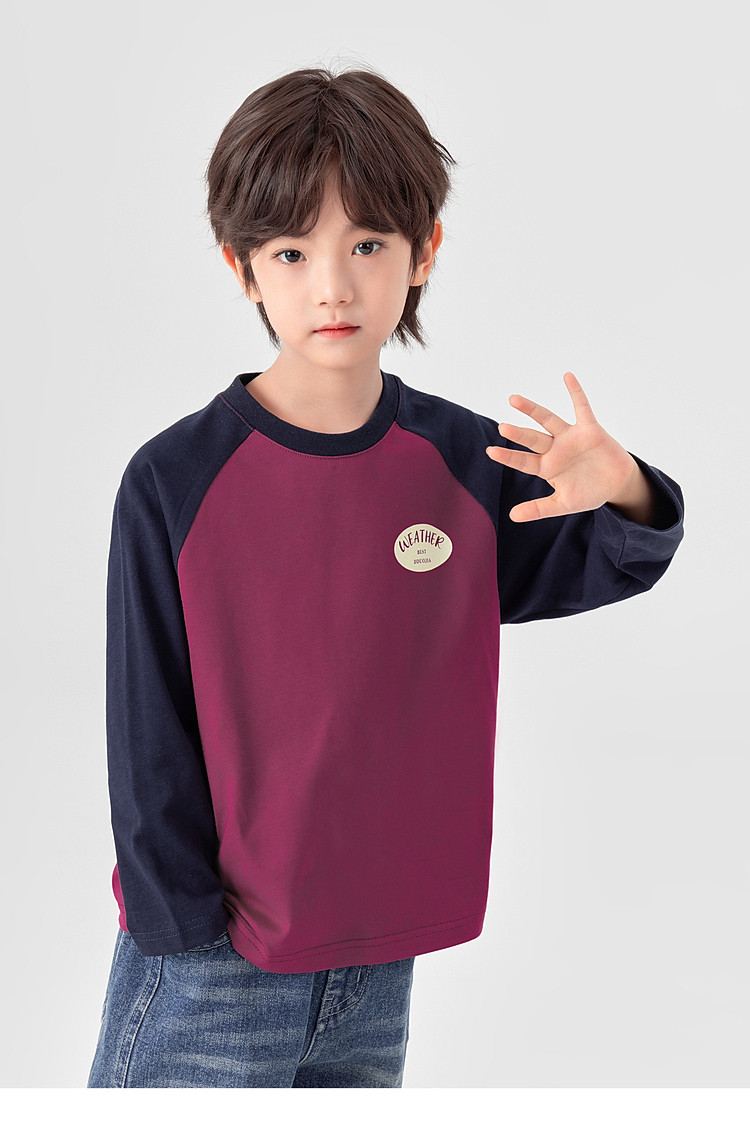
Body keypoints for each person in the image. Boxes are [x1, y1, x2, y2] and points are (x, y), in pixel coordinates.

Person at [87, 64, 684, 1089]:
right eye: (292, 251)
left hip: (379, 954)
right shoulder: (175, 481)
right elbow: (147, 729)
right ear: (242, 268)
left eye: (367, 244)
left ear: (424, 251)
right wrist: (180, 930)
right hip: (214, 957)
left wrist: (624, 487)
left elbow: (610, 560)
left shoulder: (463, 464)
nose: (333, 284)